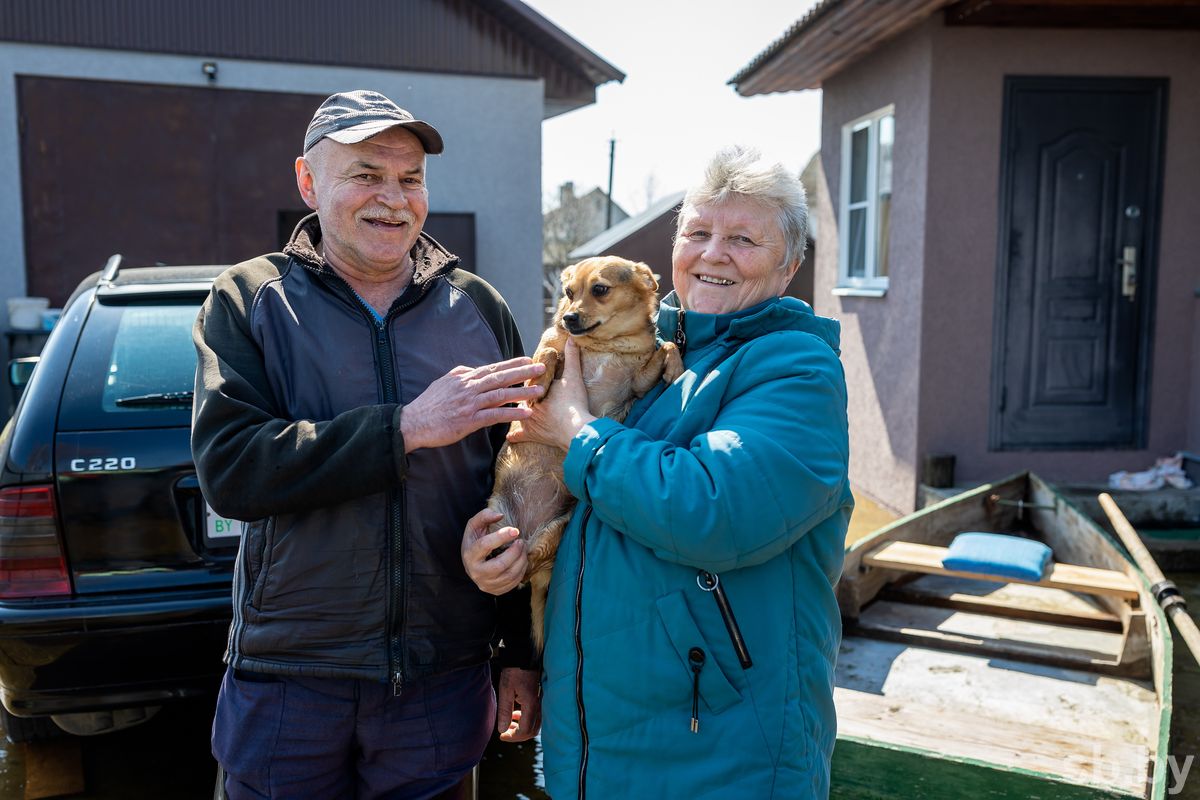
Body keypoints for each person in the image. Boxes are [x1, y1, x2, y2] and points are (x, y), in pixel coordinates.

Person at [463, 146, 853, 798]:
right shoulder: (646, 355)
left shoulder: (796, 372)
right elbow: (585, 530)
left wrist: (579, 435)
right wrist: (500, 555)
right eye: (698, 232)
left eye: (744, 238)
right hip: (593, 752)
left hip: (720, 756)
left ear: (790, 264)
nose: (713, 253)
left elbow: (713, 509)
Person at [192, 89, 544, 800]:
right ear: (308, 182)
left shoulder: (478, 307)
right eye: (366, 175)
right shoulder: (250, 298)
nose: (394, 198)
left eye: (410, 178)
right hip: (290, 682)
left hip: (439, 683)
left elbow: (520, 485)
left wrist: (518, 651)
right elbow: (233, 469)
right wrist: (406, 427)